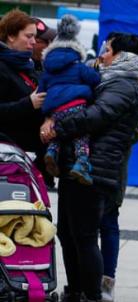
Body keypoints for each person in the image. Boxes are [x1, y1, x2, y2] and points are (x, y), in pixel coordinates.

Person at [41, 34, 138, 302]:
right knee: (68, 233)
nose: (102, 54)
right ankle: (75, 294)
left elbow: (97, 115)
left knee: (86, 237)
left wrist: (58, 124)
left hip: (95, 169)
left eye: (108, 50)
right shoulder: (108, 79)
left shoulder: (125, 83)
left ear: (122, 55)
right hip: (76, 167)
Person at [97, 32, 138, 302]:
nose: (102, 54)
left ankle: (107, 279)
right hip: (92, 165)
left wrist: (101, 129)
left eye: (107, 49)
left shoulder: (137, 92)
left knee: (108, 223)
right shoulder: (99, 81)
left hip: (113, 167)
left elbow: (135, 132)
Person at [40, 15, 100, 186]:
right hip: (76, 107)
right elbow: (94, 80)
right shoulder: (78, 66)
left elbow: (42, 91)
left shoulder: (47, 70)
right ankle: (81, 162)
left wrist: (47, 113)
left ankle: (52, 151)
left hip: (55, 111)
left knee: (57, 132)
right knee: (81, 135)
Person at [0, 9, 45, 157]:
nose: (34, 42)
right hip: (10, 159)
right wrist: (29, 103)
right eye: (29, 36)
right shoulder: (2, 67)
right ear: (11, 36)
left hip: (34, 154)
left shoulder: (28, 64)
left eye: (35, 37)